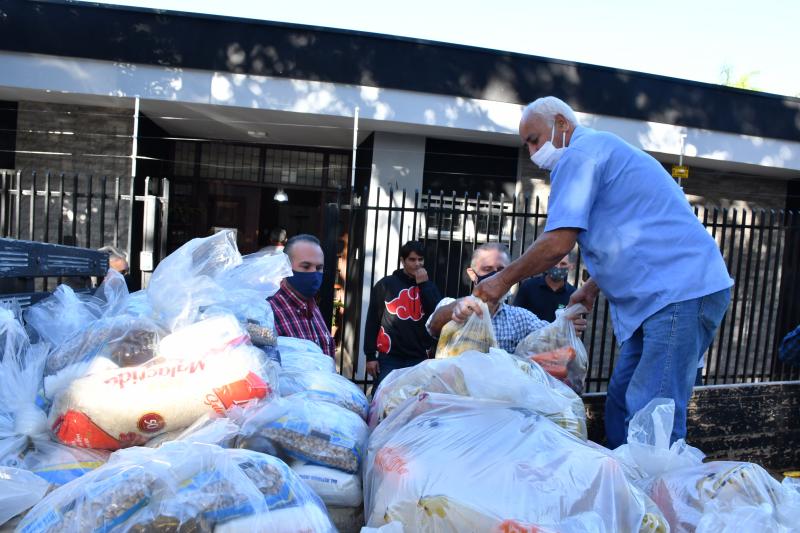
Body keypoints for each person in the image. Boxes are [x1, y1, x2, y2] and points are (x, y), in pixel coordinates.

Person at [473, 96, 732, 448]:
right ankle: (622, 485)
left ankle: (653, 494)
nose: (532, 151)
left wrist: (500, 281)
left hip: (679, 292)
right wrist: (593, 286)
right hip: (661, 297)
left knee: (653, 410)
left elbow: (558, 243)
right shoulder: (597, 153)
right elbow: (629, 229)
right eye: (527, 144)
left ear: (562, 123)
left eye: (534, 139)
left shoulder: (580, 155)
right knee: (623, 397)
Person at [427, 242, 585, 354]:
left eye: (502, 270)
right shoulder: (453, 304)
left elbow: (551, 335)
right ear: (472, 274)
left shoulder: (519, 318)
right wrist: (456, 308)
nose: (495, 277)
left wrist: (568, 326)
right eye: (487, 269)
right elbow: (433, 326)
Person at [364, 241, 442, 385]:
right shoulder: (386, 285)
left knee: (414, 402)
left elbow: (436, 315)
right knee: (383, 400)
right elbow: (373, 321)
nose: (417, 264)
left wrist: (424, 285)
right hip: (390, 357)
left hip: (419, 357)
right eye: (412, 259)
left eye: (420, 259)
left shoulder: (430, 287)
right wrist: (370, 356)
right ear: (402, 261)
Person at [268, 234, 335, 357]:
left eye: (319, 268)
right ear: (286, 267)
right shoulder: (268, 311)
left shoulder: (311, 305)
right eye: (306, 266)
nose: (314, 273)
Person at [514, 252, 577, 322]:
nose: (558, 267)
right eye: (555, 262)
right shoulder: (529, 286)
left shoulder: (573, 294)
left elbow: (574, 323)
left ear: (571, 266)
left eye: (563, 264)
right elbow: (515, 316)